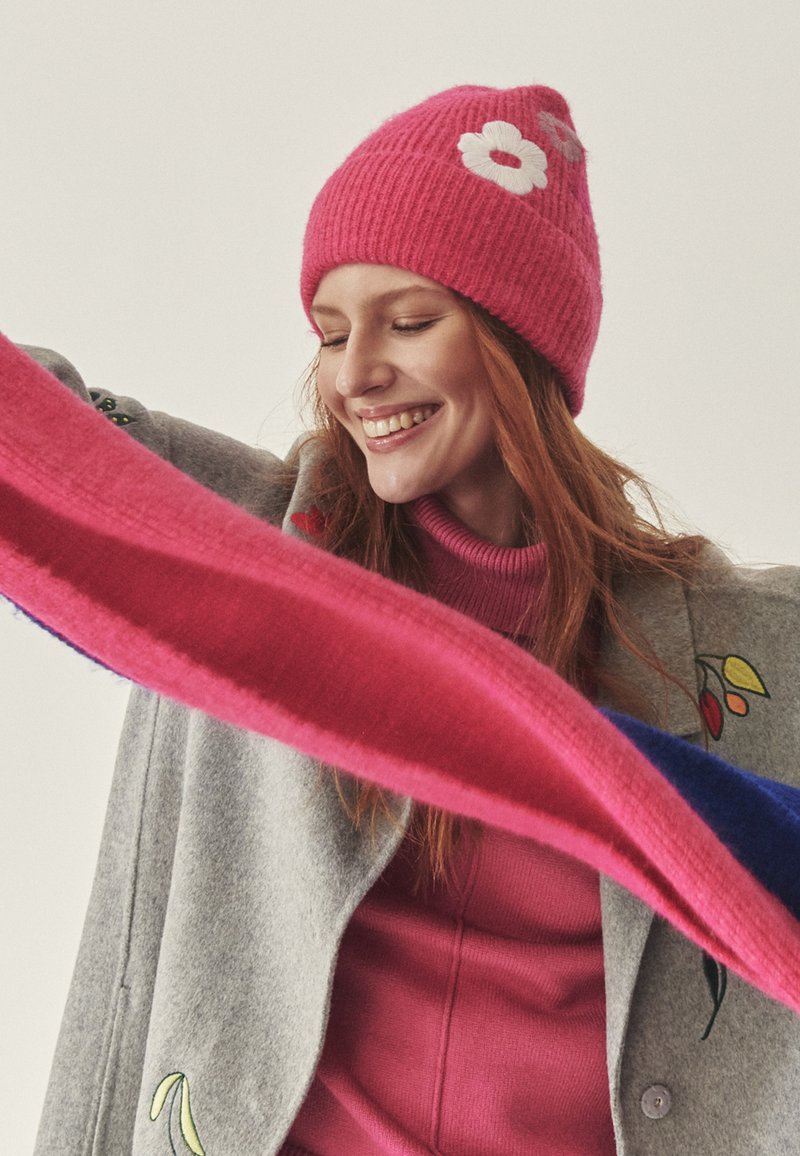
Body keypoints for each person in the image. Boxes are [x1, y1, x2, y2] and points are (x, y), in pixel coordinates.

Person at [5, 82, 800, 1156]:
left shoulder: (740, 646)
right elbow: (39, 433)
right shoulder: (258, 552)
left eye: (408, 322)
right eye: (330, 334)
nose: (353, 374)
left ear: (521, 346)